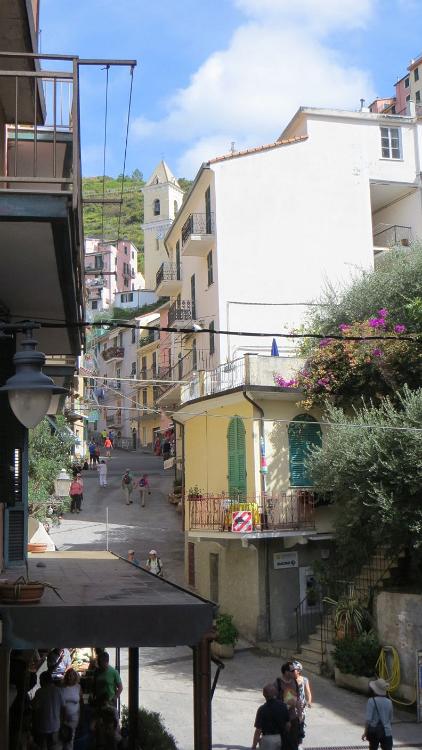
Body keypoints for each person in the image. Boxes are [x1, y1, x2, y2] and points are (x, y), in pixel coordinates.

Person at [31, 670, 65, 749]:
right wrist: (62, 722)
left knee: (43, 746)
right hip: (55, 726)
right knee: (53, 747)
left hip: (43, 726)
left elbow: (35, 707)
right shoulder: (59, 691)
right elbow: (63, 708)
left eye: (40, 680)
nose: (39, 682)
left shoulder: (40, 692)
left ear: (43, 680)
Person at [252, 683, 290, 749]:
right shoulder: (283, 706)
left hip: (268, 739)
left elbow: (258, 730)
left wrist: (254, 746)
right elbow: (288, 724)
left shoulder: (262, 709)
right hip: (282, 737)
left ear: (264, 695)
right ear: (275, 693)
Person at [362, 678, 393, 750]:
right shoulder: (389, 702)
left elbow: (368, 719)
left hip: (374, 731)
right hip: (387, 732)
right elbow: (390, 719)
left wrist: (365, 732)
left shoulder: (371, 701)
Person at [275, 662, 300, 750]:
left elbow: (298, 698)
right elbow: (273, 700)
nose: (295, 672)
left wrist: (299, 713)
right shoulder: (278, 683)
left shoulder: (295, 682)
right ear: (286, 672)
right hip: (282, 719)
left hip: (293, 718)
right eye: (292, 670)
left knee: (294, 743)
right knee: (283, 743)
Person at [60, 668, 83, 750]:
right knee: (62, 739)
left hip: (74, 717)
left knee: (70, 739)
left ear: (75, 677)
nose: (70, 677)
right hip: (62, 717)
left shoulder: (78, 687)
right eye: (68, 675)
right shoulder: (62, 688)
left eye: (72, 675)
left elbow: (81, 702)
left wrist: (81, 716)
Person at [291, 660, 312, 744]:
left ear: (299, 670)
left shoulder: (304, 680)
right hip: (292, 705)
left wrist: (309, 701)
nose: (292, 671)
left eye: (294, 670)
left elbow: (308, 692)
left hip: (302, 706)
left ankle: (299, 741)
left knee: (300, 723)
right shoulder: (289, 680)